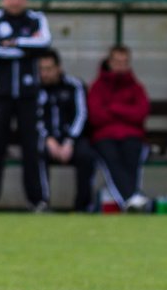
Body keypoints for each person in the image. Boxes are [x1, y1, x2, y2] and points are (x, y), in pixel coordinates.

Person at [0, 0, 52, 212]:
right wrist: (26, 46)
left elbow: (44, 44)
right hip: (0, 93)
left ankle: (38, 199)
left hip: (29, 94)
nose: (15, 0)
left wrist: (15, 42)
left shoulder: (36, 19)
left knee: (33, 147)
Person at [87, 44, 151, 212]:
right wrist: (126, 111)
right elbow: (95, 116)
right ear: (109, 62)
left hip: (131, 135)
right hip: (105, 136)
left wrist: (114, 108)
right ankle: (132, 197)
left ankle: (130, 200)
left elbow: (141, 114)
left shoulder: (136, 87)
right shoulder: (98, 86)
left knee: (132, 154)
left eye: (124, 62)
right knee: (111, 158)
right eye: (117, 61)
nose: (120, 66)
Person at [36, 48, 95, 212]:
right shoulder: (34, 89)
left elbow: (81, 114)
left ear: (58, 68)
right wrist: (48, 139)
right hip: (48, 140)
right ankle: (42, 202)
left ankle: (82, 207)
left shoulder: (74, 85)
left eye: (48, 69)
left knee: (87, 156)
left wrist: (69, 141)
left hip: (72, 140)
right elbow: (34, 118)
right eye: (41, 69)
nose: (44, 74)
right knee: (35, 152)